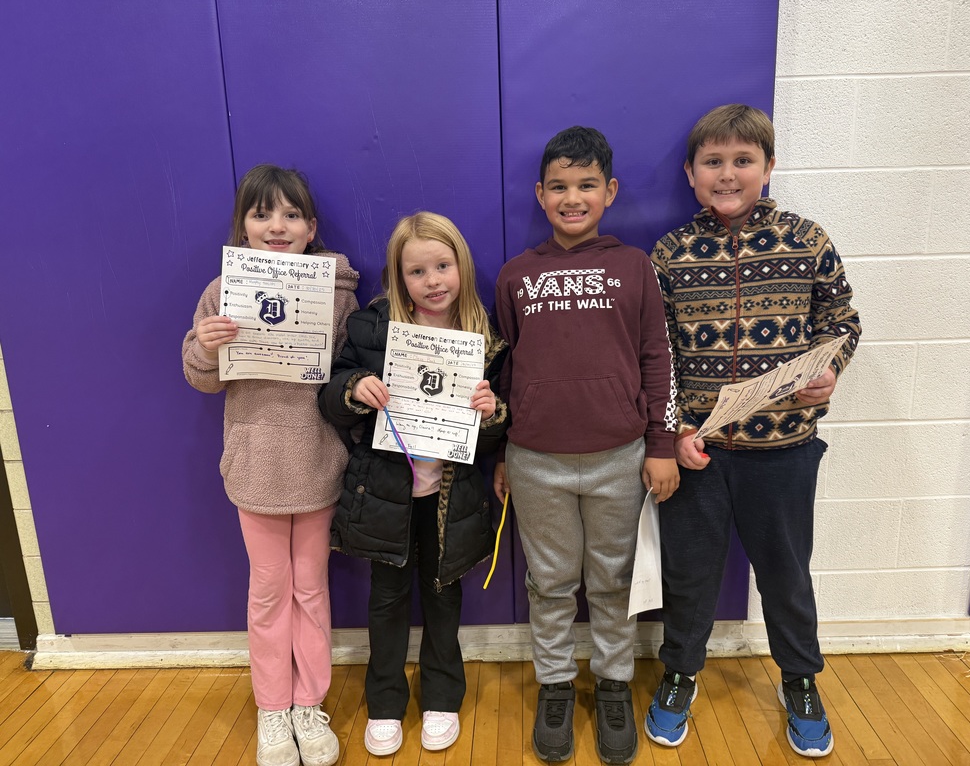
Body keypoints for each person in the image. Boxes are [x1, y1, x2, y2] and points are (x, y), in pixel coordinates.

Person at [646, 104, 861, 759]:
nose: (728, 174)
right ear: (691, 173)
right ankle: (681, 673)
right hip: (700, 454)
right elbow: (661, 354)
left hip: (785, 452)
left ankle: (800, 682)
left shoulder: (807, 239)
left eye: (743, 161)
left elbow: (842, 321)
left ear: (768, 167)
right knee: (690, 578)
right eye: (714, 162)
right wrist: (677, 431)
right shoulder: (669, 254)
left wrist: (831, 368)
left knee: (787, 575)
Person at [493, 126, 679, 764]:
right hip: (536, 459)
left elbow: (657, 357)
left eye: (587, 185)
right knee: (549, 583)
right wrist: (502, 455)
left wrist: (660, 444)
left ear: (610, 191)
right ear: (540, 195)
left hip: (620, 457)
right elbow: (503, 373)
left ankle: (614, 684)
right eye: (560, 187)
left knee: (611, 579)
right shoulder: (516, 276)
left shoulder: (634, 267)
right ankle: (553, 685)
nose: (573, 198)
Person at [183, 164, 359, 766]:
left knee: (311, 589)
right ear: (243, 227)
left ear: (312, 227)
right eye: (262, 215)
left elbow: (349, 375)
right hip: (255, 467)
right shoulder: (221, 290)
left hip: (317, 465)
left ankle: (309, 705)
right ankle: (272, 709)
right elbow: (200, 376)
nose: (276, 226)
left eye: (290, 215)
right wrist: (205, 345)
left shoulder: (340, 296)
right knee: (268, 590)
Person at [318, 211, 509, 757]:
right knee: (387, 601)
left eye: (442, 266)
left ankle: (442, 697)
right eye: (417, 271)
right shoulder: (373, 327)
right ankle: (383, 702)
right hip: (386, 494)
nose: (433, 281)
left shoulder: (483, 335)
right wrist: (356, 387)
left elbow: (503, 424)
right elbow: (329, 395)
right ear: (399, 278)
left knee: (444, 596)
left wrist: (492, 411)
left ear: (462, 267)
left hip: (454, 497)